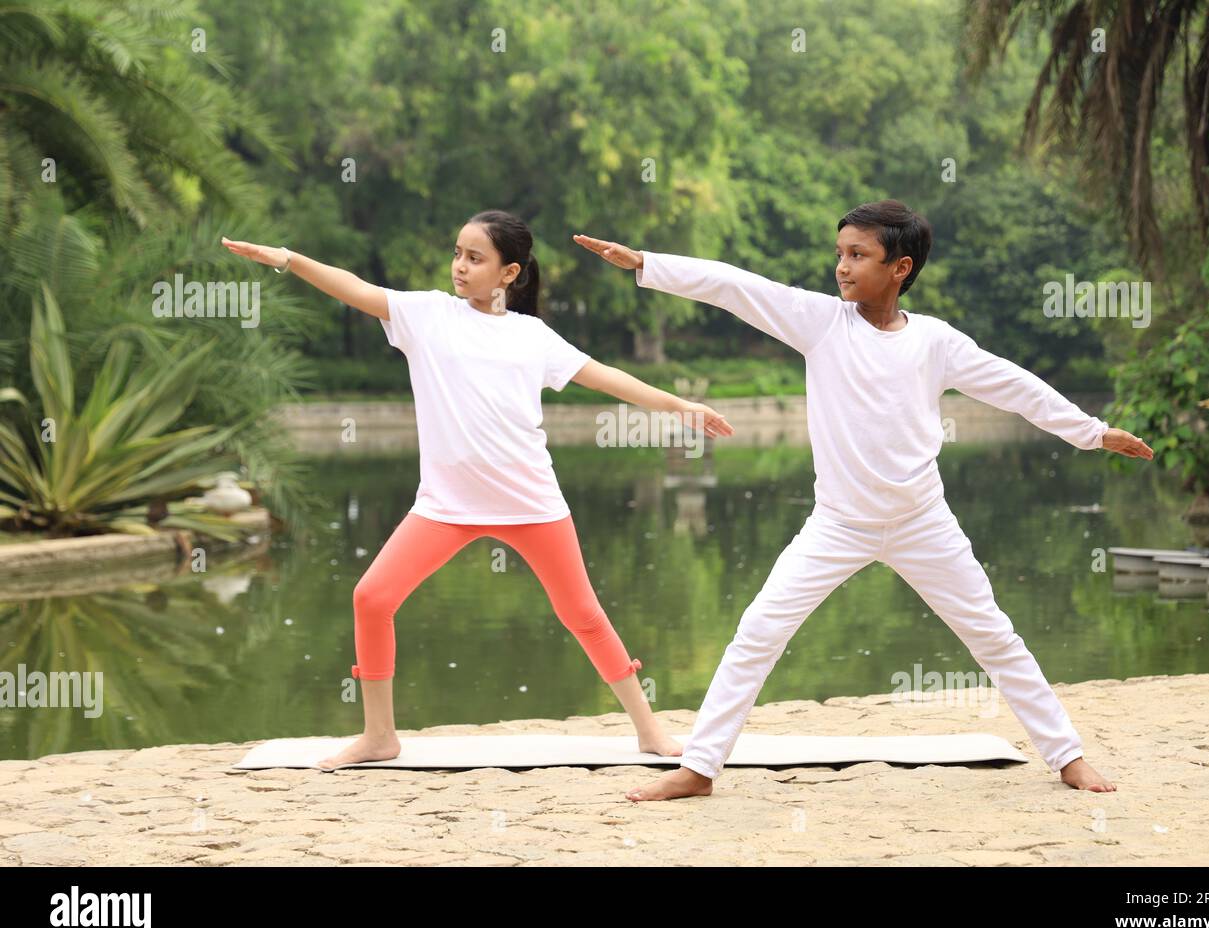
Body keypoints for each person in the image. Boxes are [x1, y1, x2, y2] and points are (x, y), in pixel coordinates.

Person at [574, 198, 1154, 801]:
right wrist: (647, 263)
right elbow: (734, 286)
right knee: (757, 632)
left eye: (858, 255)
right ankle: (699, 769)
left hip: (923, 522)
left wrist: (1089, 431)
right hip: (838, 525)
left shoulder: (936, 342)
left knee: (995, 636)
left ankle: (1068, 757)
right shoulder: (821, 322)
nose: (842, 267)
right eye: (839, 254)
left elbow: (1012, 385)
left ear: (900, 268)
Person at [222, 209, 734, 770]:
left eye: (475, 258)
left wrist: (680, 406)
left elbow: (610, 379)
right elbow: (357, 289)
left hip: (530, 503)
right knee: (371, 598)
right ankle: (379, 736)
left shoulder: (531, 336)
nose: (459, 267)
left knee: (583, 615)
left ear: (509, 272)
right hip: (446, 507)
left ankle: (650, 731)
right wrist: (289, 260)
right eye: (458, 253)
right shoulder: (427, 315)